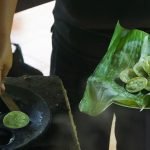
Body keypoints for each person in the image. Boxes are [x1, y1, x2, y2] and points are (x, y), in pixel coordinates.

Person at [1, 0, 150, 150]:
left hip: (145, 54)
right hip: (77, 42)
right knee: (75, 139)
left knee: (138, 141)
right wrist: (3, 35)